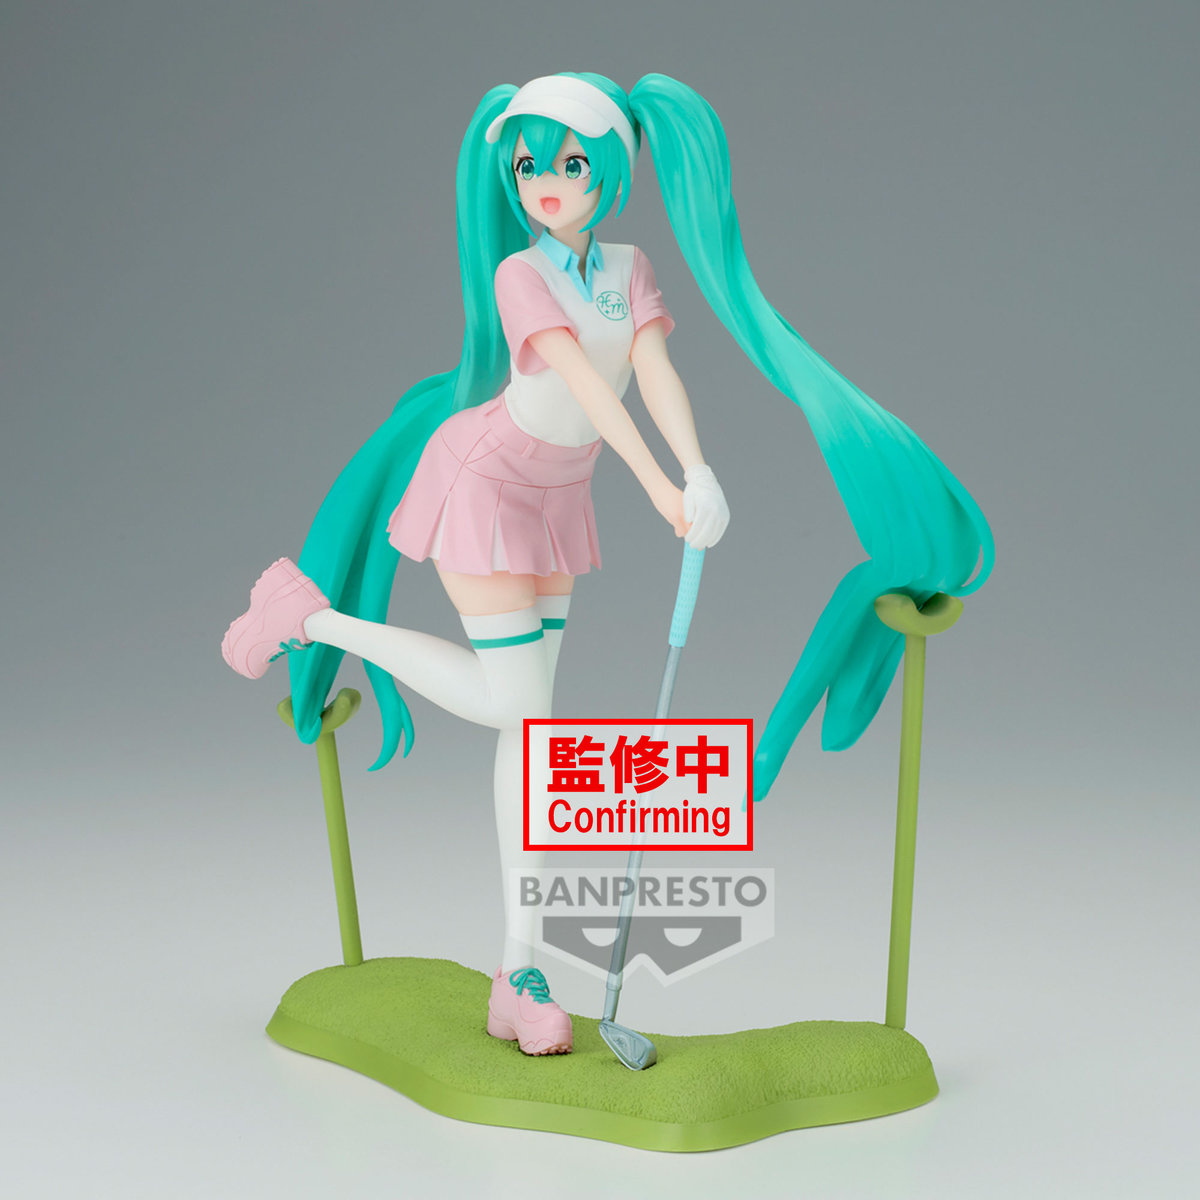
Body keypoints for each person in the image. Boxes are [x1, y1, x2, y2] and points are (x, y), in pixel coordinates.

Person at [222, 72, 994, 1057]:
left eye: (570, 164)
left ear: (612, 172)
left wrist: (700, 468)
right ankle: (307, 616)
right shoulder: (521, 275)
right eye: (527, 166)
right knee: (513, 704)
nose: (545, 183)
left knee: (532, 730)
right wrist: (663, 491)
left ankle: (518, 974)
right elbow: (588, 387)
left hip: (557, 498)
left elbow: (654, 370)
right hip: (486, 481)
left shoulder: (629, 268)